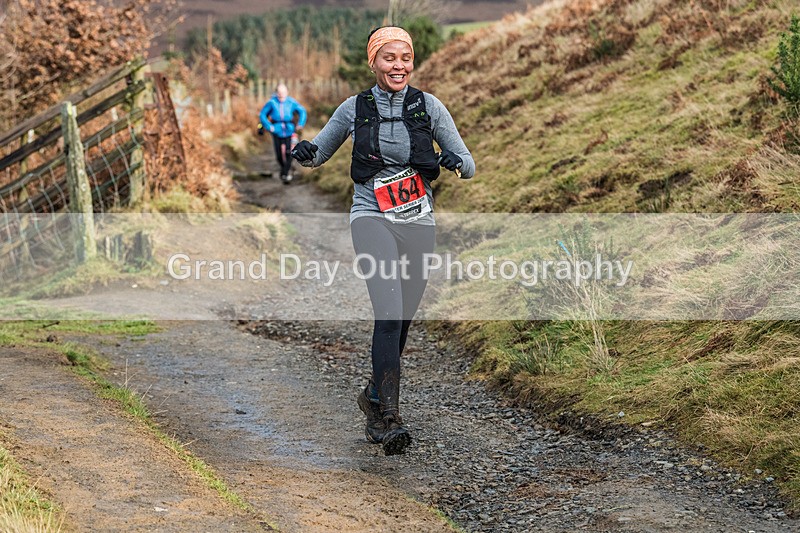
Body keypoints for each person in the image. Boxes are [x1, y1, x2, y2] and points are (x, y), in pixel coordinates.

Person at [291, 26, 475, 455]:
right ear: (373, 62)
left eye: (405, 57)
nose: (399, 65)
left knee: (405, 316)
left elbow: (468, 164)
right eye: (389, 58)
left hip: (418, 219)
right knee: (388, 312)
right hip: (370, 215)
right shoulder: (354, 109)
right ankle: (386, 419)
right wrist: (304, 152)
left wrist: (453, 161)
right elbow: (319, 153)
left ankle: (375, 392)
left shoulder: (429, 107)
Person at [259, 83, 307, 184]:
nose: (281, 95)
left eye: (283, 92)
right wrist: (269, 126)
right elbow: (263, 115)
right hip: (276, 130)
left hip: (290, 130)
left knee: (290, 152)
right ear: (276, 93)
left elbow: (302, 111)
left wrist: (300, 124)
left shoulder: (291, 102)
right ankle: (284, 169)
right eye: (279, 93)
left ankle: (285, 173)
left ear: (287, 92)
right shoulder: (272, 102)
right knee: (279, 155)